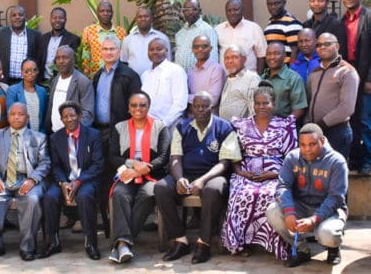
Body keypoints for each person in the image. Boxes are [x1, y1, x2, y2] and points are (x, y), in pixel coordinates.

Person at [155, 91, 242, 264]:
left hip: (213, 175)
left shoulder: (224, 128)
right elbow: (175, 158)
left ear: (213, 108)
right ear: (192, 108)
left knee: (212, 190)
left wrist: (203, 179)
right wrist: (179, 178)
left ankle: (204, 243)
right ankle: (180, 240)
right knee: (161, 187)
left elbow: (224, 163)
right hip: (186, 174)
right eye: (196, 106)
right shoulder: (182, 127)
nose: (200, 110)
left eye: (204, 106)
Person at [221, 83, 297, 260]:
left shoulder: (285, 125)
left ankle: (274, 243)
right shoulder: (241, 125)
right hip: (246, 172)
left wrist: (274, 174)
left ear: (273, 104)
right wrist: (240, 172)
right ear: (253, 104)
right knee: (240, 194)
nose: (261, 107)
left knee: (270, 195)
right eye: (258, 103)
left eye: (266, 103)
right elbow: (234, 154)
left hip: (276, 173)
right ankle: (240, 243)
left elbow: (292, 157)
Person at [266, 124, 348, 267]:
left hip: (329, 210)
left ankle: (333, 248)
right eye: (303, 145)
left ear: (322, 141)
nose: (307, 149)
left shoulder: (337, 161)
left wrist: (314, 219)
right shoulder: (292, 157)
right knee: (272, 211)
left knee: (328, 235)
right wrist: (289, 211)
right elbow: (283, 186)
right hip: (301, 206)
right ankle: (301, 249)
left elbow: (336, 197)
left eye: (312, 144)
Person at [0, 103, 50, 261]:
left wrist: (32, 180)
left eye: (20, 114)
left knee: (32, 200)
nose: (17, 117)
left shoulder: (38, 138)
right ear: (9, 116)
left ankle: (27, 248)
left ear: (28, 117)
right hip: (2, 180)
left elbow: (45, 163)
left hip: (27, 180)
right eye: (13, 114)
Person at [108, 92, 170, 263]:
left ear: (148, 107)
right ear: (128, 108)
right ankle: (124, 243)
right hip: (128, 173)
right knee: (120, 193)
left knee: (150, 193)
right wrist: (133, 165)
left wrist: (143, 169)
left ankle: (121, 242)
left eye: (142, 105)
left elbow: (164, 156)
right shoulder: (119, 127)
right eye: (134, 105)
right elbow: (113, 156)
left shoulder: (160, 126)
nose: (138, 108)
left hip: (152, 175)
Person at [39, 101, 103, 260]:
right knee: (50, 197)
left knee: (84, 196)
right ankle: (53, 242)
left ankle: (90, 243)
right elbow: (55, 165)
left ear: (80, 116)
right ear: (61, 119)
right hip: (64, 180)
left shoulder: (93, 135)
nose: (69, 119)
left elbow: (98, 164)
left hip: (86, 180)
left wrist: (78, 182)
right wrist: (63, 183)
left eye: (72, 115)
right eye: (65, 117)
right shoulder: (55, 138)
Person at [92, 34, 142, 235]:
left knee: (121, 175)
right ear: (101, 52)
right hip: (100, 132)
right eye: (105, 49)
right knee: (102, 177)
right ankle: (106, 222)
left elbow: (137, 107)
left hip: (121, 133)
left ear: (119, 51)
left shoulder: (129, 75)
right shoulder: (97, 75)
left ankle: (126, 224)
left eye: (112, 49)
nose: (109, 52)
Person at [306, 33, 359, 161]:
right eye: (319, 45)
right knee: (317, 175)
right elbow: (308, 102)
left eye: (327, 44)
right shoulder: (314, 74)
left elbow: (347, 108)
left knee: (335, 176)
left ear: (337, 46)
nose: (322, 47)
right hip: (315, 134)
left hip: (337, 132)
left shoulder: (347, 72)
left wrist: (320, 125)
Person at [341, 0, 371, 174]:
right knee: (350, 120)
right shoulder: (341, 20)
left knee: (366, 121)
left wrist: (369, 78)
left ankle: (368, 161)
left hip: (365, 74)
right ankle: (355, 159)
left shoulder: (368, 17)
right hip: (348, 77)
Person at [45, 45, 95, 133]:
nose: (61, 61)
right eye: (58, 58)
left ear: (73, 60)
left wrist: (75, 134)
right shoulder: (55, 80)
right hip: (54, 134)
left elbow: (88, 113)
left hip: (72, 136)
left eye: (65, 58)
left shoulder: (82, 82)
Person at [0, 5, 42, 85]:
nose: (17, 17)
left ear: (25, 17)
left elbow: (39, 59)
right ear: (10, 18)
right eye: (14, 15)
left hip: (27, 82)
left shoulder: (36, 35)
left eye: (20, 15)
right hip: (3, 82)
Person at [141, 37, 188, 128]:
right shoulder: (145, 75)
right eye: (151, 49)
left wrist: (164, 123)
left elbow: (180, 103)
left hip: (171, 125)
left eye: (159, 49)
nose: (155, 52)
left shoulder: (176, 71)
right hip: (148, 126)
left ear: (166, 51)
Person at [215, 0, 267, 73]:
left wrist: (258, 78)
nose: (232, 13)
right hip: (226, 79)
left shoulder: (254, 28)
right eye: (229, 10)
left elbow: (262, 55)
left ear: (242, 10)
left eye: (236, 10)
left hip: (249, 79)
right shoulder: (218, 30)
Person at [81, 0, 127, 77]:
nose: (105, 13)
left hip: (117, 76)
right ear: (97, 13)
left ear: (112, 13)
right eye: (102, 11)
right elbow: (86, 57)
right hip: (95, 76)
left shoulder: (121, 32)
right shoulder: (88, 31)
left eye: (108, 11)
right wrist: (87, 76)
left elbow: (124, 57)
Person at [261, 42, 307, 119]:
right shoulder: (263, 77)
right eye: (268, 54)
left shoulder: (293, 78)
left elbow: (299, 109)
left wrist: (284, 125)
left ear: (285, 56)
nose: (272, 57)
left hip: (284, 127)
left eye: (276, 53)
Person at [121, 7, 171, 76]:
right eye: (140, 17)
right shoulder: (128, 39)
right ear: (136, 19)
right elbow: (124, 63)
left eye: (146, 16)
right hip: (133, 82)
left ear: (151, 19)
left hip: (157, 80)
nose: (143, 19)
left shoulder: (162, 38)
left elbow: (168, 62)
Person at [174, 0, 219, 73]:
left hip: (200, 77)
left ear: (200, 11)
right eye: (187, 9)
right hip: (181, 78)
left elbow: (213, 57)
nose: (190, 12)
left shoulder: (208, 30)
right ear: (183, 12)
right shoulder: (179, 34)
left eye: (194, 9)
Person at [219, 45, 260, 121]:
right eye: (226, 58)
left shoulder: (252, 78)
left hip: (242, 130)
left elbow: (255, 111)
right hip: (226, 130)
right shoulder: (228, 78)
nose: (230, 61)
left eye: (234, 57)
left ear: (244, 59)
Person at [6, 59, 48, 132]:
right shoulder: (13, 91)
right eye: (26, 71)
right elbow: (11, 116)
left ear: (37, 71)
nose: (30, 73)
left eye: (33, 70)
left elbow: (45, 116)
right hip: (20, 135)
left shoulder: (42, 91)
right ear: (22, 72)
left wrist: (42, 135)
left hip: (39, 135)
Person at [39, 7, 80, 80]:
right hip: (43, 80)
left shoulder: (73, 39)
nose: (57, 20)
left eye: (61, 18)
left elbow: (74, 62)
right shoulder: (43, 38)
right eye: (54, 18)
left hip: (62, 79)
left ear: (65, 20)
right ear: (50, 20)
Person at [263, 0, 303, 64]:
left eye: (276, 3)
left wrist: (290, 72)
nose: (273, 7)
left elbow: (296, 50)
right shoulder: (270, 24)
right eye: (269, 4)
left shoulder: (291, 22)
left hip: (286, 70)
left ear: (284, 3)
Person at [187, 35, 226, 108]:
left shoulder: (217, 69)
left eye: (204, 46)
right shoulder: (190, 71)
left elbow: (212, 100)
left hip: (209, 117)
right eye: (196, 47)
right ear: (192, 49)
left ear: (211, 48)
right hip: (191, 116)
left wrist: (184, 98)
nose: (200, 49)